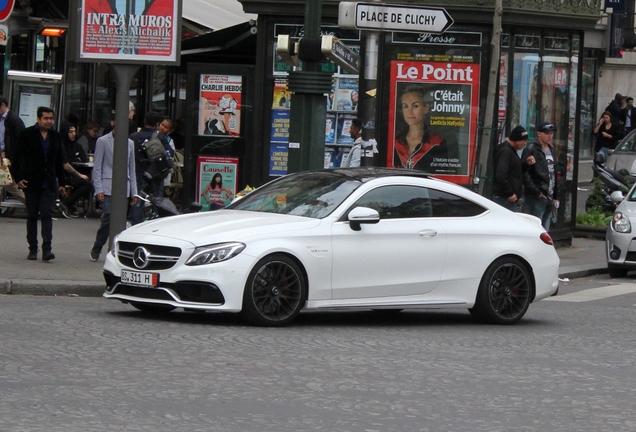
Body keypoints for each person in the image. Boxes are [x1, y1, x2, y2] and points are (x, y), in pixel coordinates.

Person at [11, 107, 67, 261]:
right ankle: (33, 248)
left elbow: (58, 160)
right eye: (46, 118)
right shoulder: (27, 134)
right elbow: (17, 157)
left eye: (51, 118)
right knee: (32, 215)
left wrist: (62, 182)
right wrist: (18, 178)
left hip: (49, 182)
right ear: (38, 119)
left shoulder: (56, 136)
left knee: (47, 213)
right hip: (31, 181)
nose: (49, 121)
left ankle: (47, 249)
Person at [90, 121, 137, 261]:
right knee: (109, 216)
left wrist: (134, 191)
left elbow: (132, 168)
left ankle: (116, 250)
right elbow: (97, 166)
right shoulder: (103, 141)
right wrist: (98, 188)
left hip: (125, 187)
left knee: (121, 220)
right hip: (108, 186)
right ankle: (98, 245)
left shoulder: (130, 143)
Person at [129, 111, 173, 224]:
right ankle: (155, 222)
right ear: (157, 124)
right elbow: (170, 153)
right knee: (157, 200)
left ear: (144, 121)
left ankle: (136, 223)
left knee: (138, 198)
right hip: (156, 173)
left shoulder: (134, 137)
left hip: (138, 172)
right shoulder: (160, 138)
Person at [393, 84, 449, 172]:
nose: (409, 112)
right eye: (405, 106)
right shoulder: (394, 140)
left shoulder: (437, 143)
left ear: (425, 108)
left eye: (415, 106)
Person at [522, 121, 560, 230]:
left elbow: (553, 173)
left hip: (549, 194)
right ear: (539, 134)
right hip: (538, 194)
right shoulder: (531, 149)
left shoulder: (551, 149)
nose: (550, 136)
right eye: (547, 133)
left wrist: (556, 196)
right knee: (535, 225)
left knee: (545, 227)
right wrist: (537, 192)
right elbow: (524, 172)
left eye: (551, 133)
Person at [492, 125, 531, 212]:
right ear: (517, 139)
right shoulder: (506, 151)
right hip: (505, 198)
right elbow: (501, 174)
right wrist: (510, 193)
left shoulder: (511, 151)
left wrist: (526, 164)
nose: (525, 143)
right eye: (523, 140)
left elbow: (516, 172)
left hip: (508, 198)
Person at [59, 123, 92, 218]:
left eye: (74, 132)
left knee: (86, 182)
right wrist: (79, 174)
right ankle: (67, 202)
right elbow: (65, 165)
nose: (73, 134)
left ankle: (68, 202)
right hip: (64, 174)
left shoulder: (76, 146)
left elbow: (84, 158)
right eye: (70, 132)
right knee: (87, 184)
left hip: (75, 173)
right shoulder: (61, 146)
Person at [0, 96, 26, 204]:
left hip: (6, 156)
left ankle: (32, 205)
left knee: (9, 185)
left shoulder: (13, 119)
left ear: (3, 105)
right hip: (2, 154)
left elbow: (21, 139)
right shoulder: (3, 119)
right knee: (7, 184)